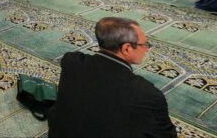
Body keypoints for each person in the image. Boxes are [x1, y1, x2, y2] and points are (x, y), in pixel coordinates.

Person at [48, 17, 176, 138]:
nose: (146, 49)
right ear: (126, 48)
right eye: (144, 44)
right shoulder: (147, 94)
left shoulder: (72, 62)